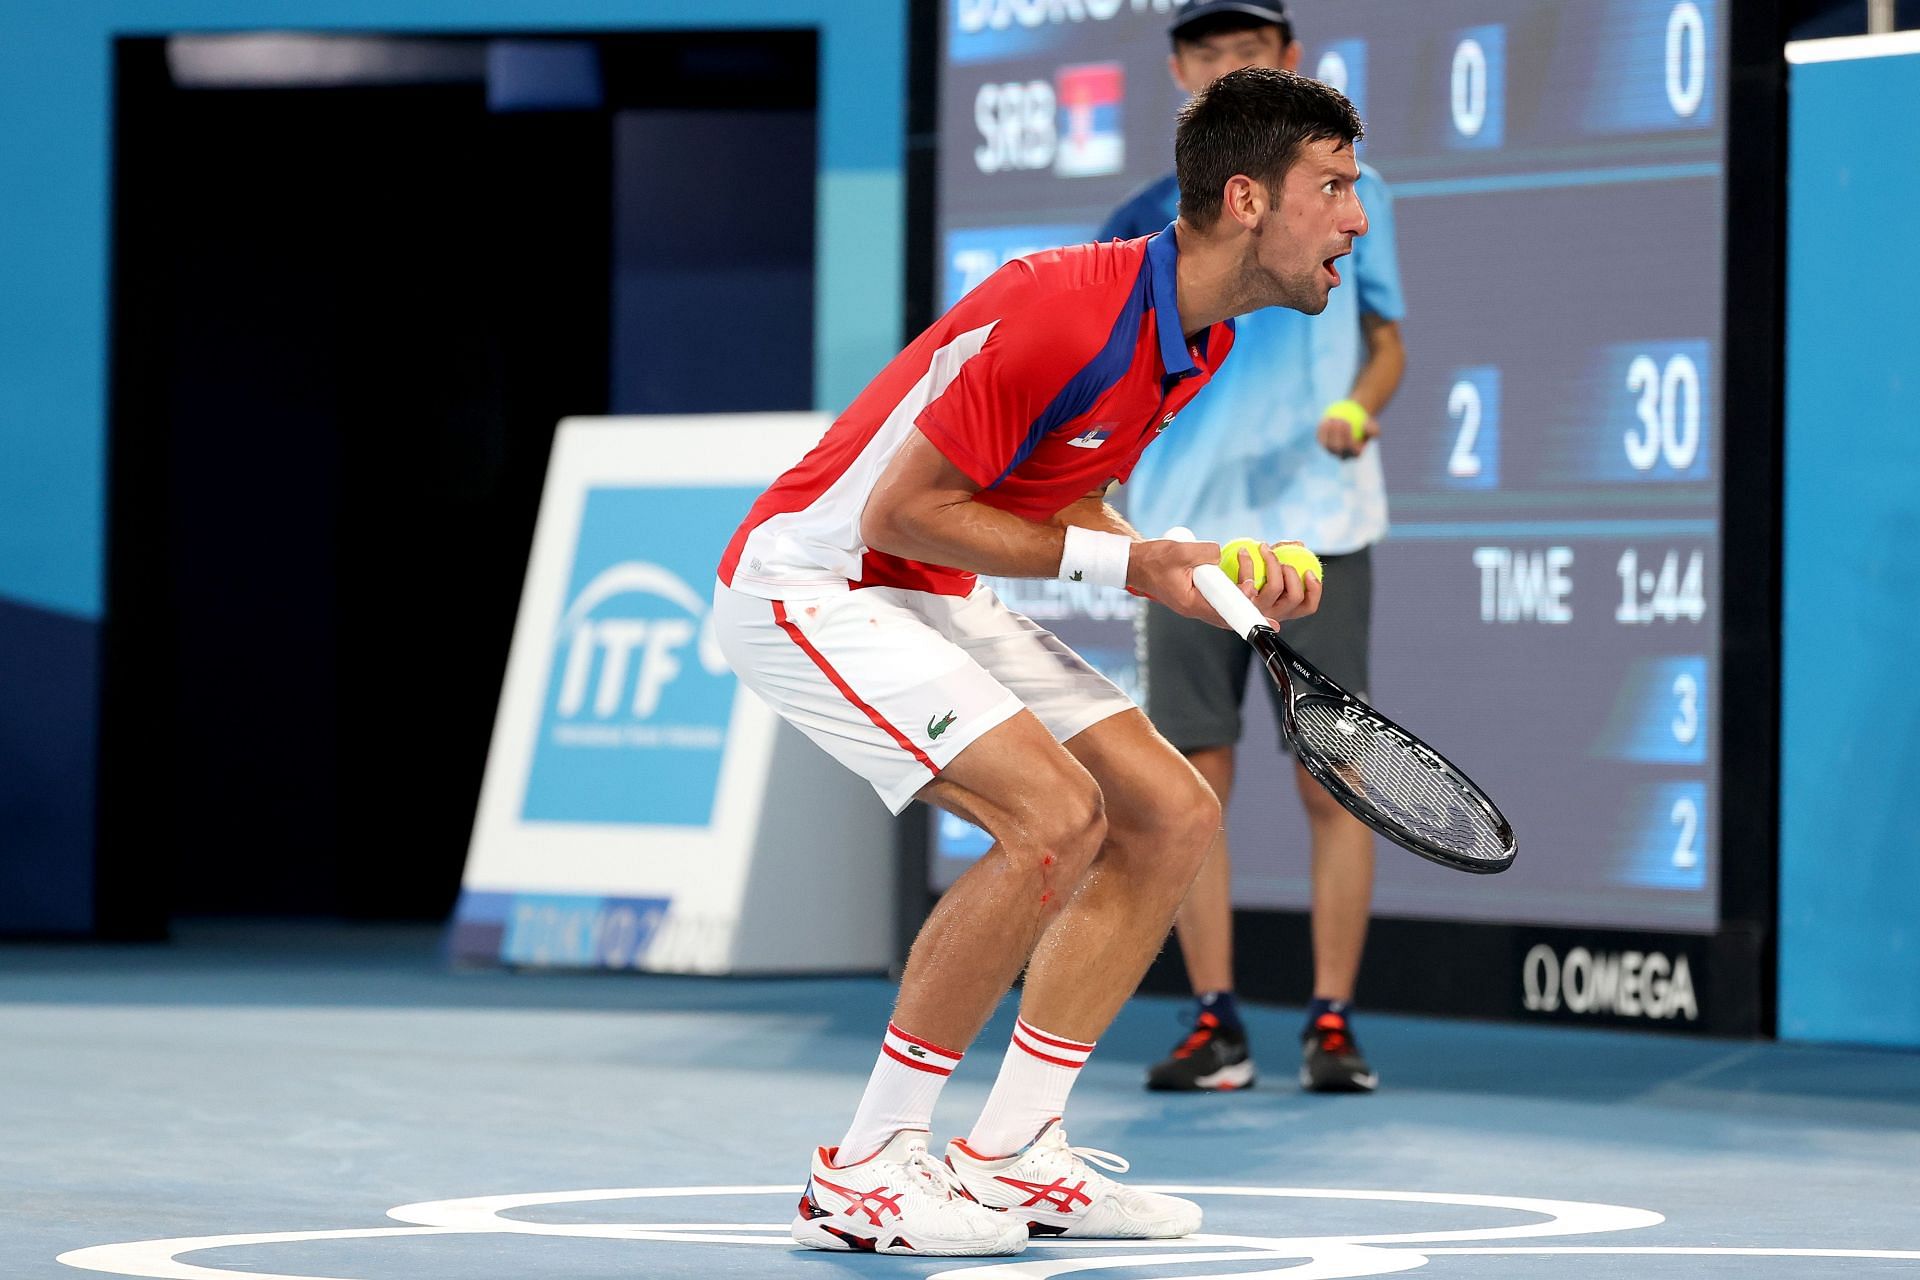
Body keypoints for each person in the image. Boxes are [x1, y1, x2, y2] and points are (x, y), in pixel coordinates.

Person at [712, 67, 1367, 1258]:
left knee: (1170, 809)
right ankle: (864, 1167)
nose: (1356, 218)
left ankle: (1011, 1152)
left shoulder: (1198, 335)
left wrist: (1201, 573)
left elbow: (1071, 501)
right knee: (1050, 816)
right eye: (1332, 186)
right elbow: (897, 516)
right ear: (1245, 199)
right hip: (811, 582)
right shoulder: (1060, 309)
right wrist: (1137, 566)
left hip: (923, 591)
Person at [1100, 0, 1407, 1095]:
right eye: (1207, 47)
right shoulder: (1137, 223)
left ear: (1289, 61)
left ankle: (1332, 1018)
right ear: (1181, 67)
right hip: (1188, 547)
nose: (1229, 60)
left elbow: (1385, 344)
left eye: (1250, 46)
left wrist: (1358, 415)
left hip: (1322, 536)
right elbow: (1112, 384)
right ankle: (1214, 1017)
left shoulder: (1349, 202)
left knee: (1340, 785)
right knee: (1192, 786)